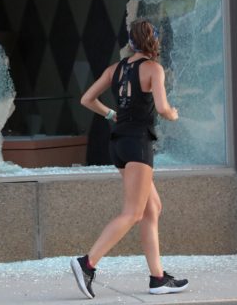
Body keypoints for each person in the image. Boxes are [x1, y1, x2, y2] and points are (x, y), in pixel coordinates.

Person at [71, 19, 188, 299]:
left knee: (152, 208)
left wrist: (112, 114)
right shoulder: (153, 69)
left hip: (119, 143)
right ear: (154, 41)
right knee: (133, 212)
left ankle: (158, 278)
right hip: (138, 144)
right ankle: (87, 263)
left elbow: (86, 99)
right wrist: (173, 113)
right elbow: (161, 108)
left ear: (132, 41)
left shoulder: (116, 69)